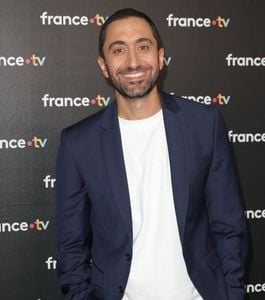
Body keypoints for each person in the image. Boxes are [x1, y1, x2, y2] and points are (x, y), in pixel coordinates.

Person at [56, 8, 248, 300]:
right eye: (118, 50)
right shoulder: (78, 143)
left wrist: (232, 294)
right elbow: (71, 245)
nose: (133, 61)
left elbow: (229, 224)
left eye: (143, 47)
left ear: (160, 57)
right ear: (104, 65)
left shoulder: (203, 125)